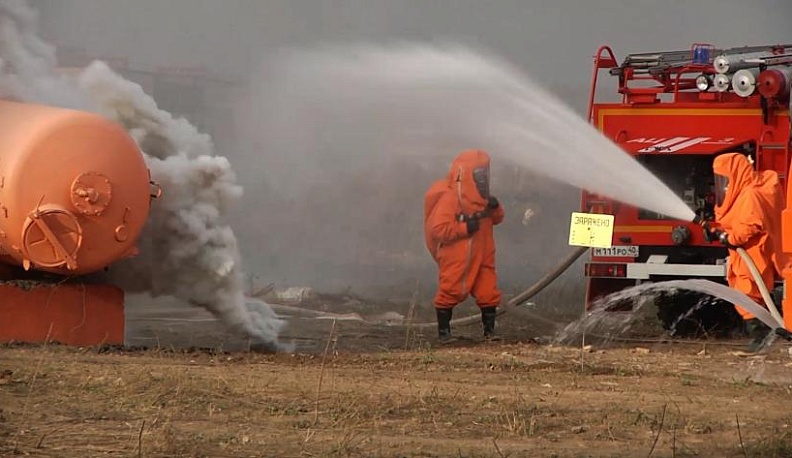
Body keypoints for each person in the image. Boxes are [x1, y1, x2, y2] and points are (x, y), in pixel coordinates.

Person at [704, 152, 785, 352]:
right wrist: (719, 232)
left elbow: (751, 224)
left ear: (736, 173)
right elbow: (738, 222)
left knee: (748, 292)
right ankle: (762, 333)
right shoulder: (743, 193)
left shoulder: (750, 194)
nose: (724, 184)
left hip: (755, 251)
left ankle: (761, 335)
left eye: (725, 178)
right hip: (745, 253)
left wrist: (730, 238)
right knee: (745, 291)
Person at [423, 149, 505, 343]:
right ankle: (444, 334)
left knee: (488, 292)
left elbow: (498, 219)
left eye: (485, 174)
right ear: (466, 175)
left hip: (483, 254)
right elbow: (439, 229)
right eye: (479, 175)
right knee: (450, 290)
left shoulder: (484, 200)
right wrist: (465, 228)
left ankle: (489, 333)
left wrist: (496, 208)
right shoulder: (451, 198)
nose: (483, 180)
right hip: (457, 257)